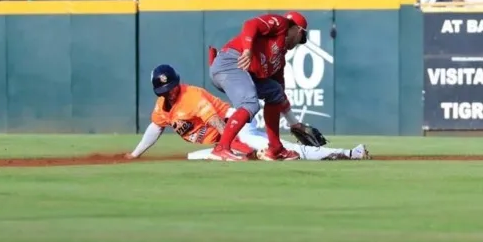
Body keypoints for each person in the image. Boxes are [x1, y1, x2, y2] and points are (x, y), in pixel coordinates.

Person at [126, 64, 370, 161]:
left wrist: (231, 147)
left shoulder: (191, 96)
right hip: (224, 140)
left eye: (171, 87)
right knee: (195, 158)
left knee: (278, 149)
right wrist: (135, 153)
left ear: (178, 82)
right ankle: (244, 153)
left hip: (236, 126)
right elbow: (155, 127)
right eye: (164, 89)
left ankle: (348, 153)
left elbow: (219, 124)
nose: (169, 92)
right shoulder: (162, 106)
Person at [207, 11, 309, 161]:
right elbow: (250, 24)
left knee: (275, 92)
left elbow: (281, 98)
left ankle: (275, 149)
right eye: (301, 39)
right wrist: (248, 50)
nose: (298, 43)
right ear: (299, 30)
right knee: (250, 103)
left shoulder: (278, 61)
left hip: (239, 71)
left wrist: (294, 124)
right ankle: (221, 148)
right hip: (230, 61)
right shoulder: (281, 24)